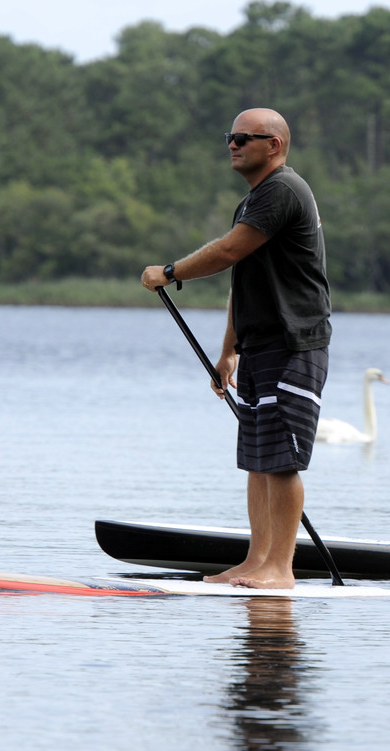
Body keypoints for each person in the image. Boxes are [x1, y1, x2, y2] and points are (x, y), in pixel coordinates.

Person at [142, 108, 331, 589]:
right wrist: (229, 351)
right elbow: (241, 278)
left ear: (275, 145)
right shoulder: (254, 200)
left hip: (295, 344)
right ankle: (256, 561)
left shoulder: (283, 191)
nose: (233, 143)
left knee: (281, 459)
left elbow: (226, 251)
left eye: (245, 137)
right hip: (259, 345)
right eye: (230, 136)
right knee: (257, 457)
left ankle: (281, 570)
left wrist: (168, 272)